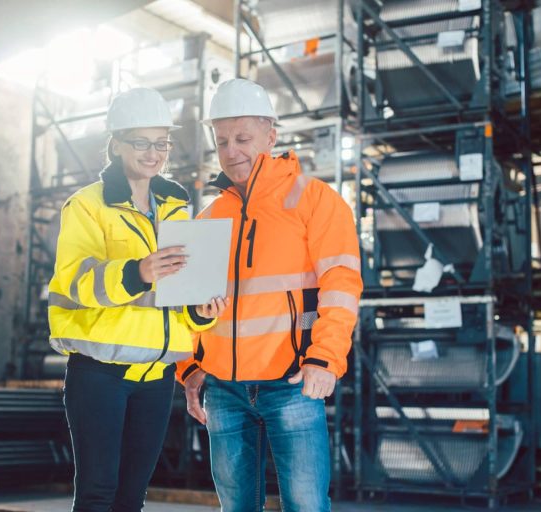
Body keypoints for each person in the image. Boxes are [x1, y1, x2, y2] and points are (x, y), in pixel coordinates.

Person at [176, 79, 362, 511]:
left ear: (271, 136)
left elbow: (342, 285)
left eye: (243, 138)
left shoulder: (315, 200)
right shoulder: (207, 217)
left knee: (305, 506)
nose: (231, 151)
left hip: (293, 381)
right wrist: (189, 370)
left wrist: (326, 359)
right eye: (221, 141)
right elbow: (187, 306)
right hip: (223, 389)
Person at [47, 87, 228, 512]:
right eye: (141, 142)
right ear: (115, 144)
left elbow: (179, 294)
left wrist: (200, 313)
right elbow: (75, 281)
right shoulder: (87, 205)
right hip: (100, 375)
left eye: (161, 143)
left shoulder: (176, 203)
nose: (154, 153)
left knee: (131, 499)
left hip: (157, 377)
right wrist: (138, 272)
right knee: (97, 494)